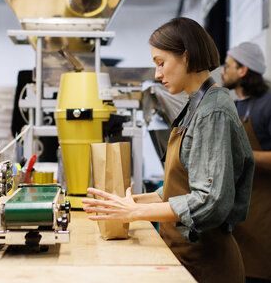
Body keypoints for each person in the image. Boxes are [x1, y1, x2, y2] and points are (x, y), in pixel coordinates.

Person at [82, 17, 255, 283]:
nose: (157, 74)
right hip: (186, 257)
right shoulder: (195, 105)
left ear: (186, 56)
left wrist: (135, 213)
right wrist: (130, 202)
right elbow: (181, 186)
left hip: (207, 263)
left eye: (161, 63)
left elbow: (209, 201)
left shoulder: (213, 111)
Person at [220, 42, 271, 283]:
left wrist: (243, 154)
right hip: (237, 216)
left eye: (228, 65)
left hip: (264, 215)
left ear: (243, 71)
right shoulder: (232, 107)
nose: (223, 71)